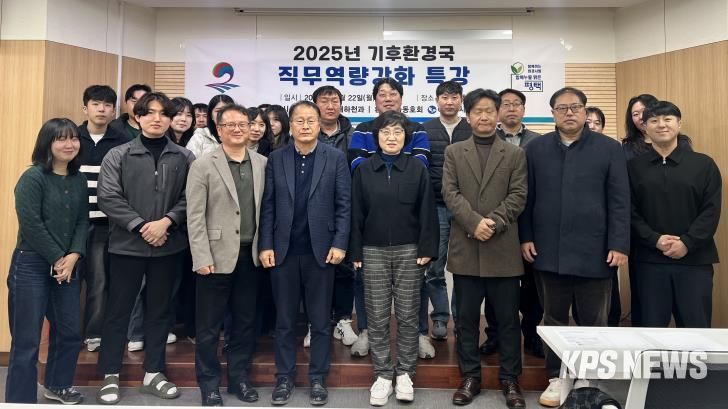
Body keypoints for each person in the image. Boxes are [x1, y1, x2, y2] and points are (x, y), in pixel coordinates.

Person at [519, 87, 630, 408]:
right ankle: (557, 377)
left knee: (594, 321)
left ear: (585, 111)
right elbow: (527, 198)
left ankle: (587, 378)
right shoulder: (536, 149)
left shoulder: (609, 148)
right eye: (562, 108)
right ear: (553, 113)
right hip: (548, 250)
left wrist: (619, 243)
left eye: (575, 107)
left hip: (596, 251)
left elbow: (620, 201)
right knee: (553, 319)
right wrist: (526, 236)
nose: (569, 113)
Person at [96, 92, 195, 405]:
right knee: (118, 311)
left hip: (168, 245)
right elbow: (108, 197)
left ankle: (154, 373)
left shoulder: (184, 157)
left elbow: (191, 197)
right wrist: (142, 226)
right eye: (149, 113)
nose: (157, 119)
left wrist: (166, 222)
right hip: (126, 246)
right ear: (137, 117)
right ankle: (110, 374)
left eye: (164, 114)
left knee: (160, 312)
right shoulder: (119, 154)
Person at [259, 101, 351, 406]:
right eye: (299, 120)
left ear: (319, 124)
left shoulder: (334, 157)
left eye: (311, 120)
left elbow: (344, 205)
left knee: (320, 321)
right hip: (283, 251)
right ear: (291, 125)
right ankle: (284, 378)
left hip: (321, 252)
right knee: (284, 321)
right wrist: (266, 245)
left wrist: (340, 243)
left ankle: (318, 378)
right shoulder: (277, 158)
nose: (306, 125)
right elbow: (268, 205)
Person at [442, 89, 528, 408]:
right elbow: (450, 193)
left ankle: (510, 379)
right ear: (468, 116)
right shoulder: (454, 152)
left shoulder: (514, 154)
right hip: (466, 248)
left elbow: (518, 195)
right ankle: (470, 377)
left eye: (489, 111)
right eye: (477, 111)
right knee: (465, 320)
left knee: (507, 320)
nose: (484, 116)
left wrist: (492, 222)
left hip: (502, 248)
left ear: (498, 114)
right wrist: (473, 223)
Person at [350, 111, 439, 406]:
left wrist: (427, 248)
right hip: (372, 251)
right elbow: (356, 212)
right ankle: (383, 374)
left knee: (408, 315)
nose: (391, 137)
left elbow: (428, 211)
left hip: (410, 251)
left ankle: (405, 373)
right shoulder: (364, 170)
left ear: (406, 138)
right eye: (386, 132)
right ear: (376, 137)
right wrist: (355, 250)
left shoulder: (417, 169)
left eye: (398, 132)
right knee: (376, 315)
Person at [187, 104, 268, 406]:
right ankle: (208, 383)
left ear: (250, 128)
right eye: (230, 125)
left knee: (245, 323)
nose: (237, 129)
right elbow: (195, 216)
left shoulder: (262, 163)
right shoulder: (203, 164)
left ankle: (239, 378)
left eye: (242, 124)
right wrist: (201, 256)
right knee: (209, 326)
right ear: (219, 130)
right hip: (214, 256)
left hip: (251, 256)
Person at [6, 118, 88, 404]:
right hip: (31, 264)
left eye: (73, 138)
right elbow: (31, 225)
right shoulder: (32, 178)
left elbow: (82, 221)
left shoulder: (78, 179)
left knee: (70, 331)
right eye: (61, 139)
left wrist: (73, 255)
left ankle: (58, 385)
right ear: (47, 143)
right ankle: (20, 400)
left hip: (67, 265)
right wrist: (58, 257)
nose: (69, 144)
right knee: (27, 340)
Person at [629, 100, 721, 328]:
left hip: (694, 261)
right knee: (649, 331)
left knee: (696, 330)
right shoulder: (633, 167)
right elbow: (629, 211)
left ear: (679, 124)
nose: (661, 125)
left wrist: (687, 243)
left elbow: (711, 210)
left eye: (668, 119)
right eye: (654, 120)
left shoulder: (704, 165)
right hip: (649, 261)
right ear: (645, 128)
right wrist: (654, 239)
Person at [480, 88, 543, 359]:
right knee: (496, 285)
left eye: (517, 104)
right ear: (497, 111)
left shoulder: (538, 142)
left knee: (531, 284)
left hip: (530, 221)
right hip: (496, 221)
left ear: (524, 110)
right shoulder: (486, 140)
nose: (512, 108)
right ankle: (494, 334)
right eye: (505, 104)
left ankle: (531, 334)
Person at [77, 85, 131, 353]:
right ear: (85, 108)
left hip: (103, 224)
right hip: (71, 224)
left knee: (98, 281)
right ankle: (66, 332)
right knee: (67, 281)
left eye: (108, 105)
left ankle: (94, 333)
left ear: (113, 111)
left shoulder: (121, 141)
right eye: (96, 104)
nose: (102, 109)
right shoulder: (72, 137)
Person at [421, 80, 472, 341]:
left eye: (454, 97)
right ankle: (440, 317)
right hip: (436, 206)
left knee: (464, 267)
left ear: (461, 100)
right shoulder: (425, 129)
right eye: (444, 97)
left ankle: (461, 319)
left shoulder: (471, 127)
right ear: (437, 101)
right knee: (435, 266)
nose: (449, 102)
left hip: (466, 208)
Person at [313, 85, 358, 348]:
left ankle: (343, 320)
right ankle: (316, 322)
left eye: (335, 101)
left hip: (344, 207)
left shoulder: (354, 135)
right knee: (314, 267)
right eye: (324, 101)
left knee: (343, 267)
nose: (330, 106)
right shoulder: (305, 134)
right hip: (313, 209)